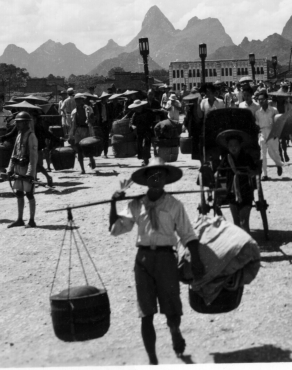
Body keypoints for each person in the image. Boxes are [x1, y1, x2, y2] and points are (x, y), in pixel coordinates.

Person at [110, 158, 205, 365]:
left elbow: (188, 235)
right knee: (146, 313)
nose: (155, 179)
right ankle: (153, 360)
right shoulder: (136, 204)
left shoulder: (174, 205)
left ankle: (174, 330)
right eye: (151, 176)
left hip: (166, 260)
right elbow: (116, 228)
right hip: (143, 261)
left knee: (171, 307)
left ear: (165, 179)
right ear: (145, 180)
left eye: (159, 175)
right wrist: (113, 202)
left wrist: (196, 260)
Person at [217, 130, 261, 233]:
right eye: (231, 145)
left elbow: (256, 171)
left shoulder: (246, 157)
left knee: (244, 222)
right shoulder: (225, 159)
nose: (233, 147)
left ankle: (247, 244)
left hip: (246, 193)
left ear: (240, 146)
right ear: (227, 147)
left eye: (235, 145)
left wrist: (252, 172)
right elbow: (219, 174)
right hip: (232, 194)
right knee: (236, 223)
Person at [6, 112, 39, 228]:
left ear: (26, 123)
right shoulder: (19, 135)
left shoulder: (31, 136)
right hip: (18, 168)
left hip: (27, 169)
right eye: (17, 122)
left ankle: (31, 220)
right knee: (19, 193)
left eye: (20, 122)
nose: (18, 124)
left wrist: (30, 173)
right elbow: (14, 153)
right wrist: (10, 169)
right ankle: (20, 219)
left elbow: (33, 157)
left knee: (29, 194)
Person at [254, 90, 283, 179]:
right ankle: (265, 174)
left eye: (262, 99)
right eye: (259, 100)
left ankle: (278, 164)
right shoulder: (258, 112)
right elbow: (257, 124)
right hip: (262, 133)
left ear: (267, 99)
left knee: (273, 152)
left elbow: (278, 122)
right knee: (262, 154)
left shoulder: (273, 110)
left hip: (272, 132)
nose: (260, 101)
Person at [68, 94, 96, 173]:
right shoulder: (74, 111)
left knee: (88, 148)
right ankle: (82, 169)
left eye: (79, 100)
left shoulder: (88, 109)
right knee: (79, 150)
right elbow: (72, 125)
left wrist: (90, 118)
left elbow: (93, 120)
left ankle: (91, 159)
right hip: (78, 130)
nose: (78, 101)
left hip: (87, 130)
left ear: (82, 100)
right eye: (76, 100)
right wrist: (71, 135)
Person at [128, 100, 157, 167]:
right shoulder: (134, 114)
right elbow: (131, 123)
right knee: (140, 146)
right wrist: (132, 126)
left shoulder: (149, 112)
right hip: (139, 132)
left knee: (146, 146)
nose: (136, 109)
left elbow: (154, 120)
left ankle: (146, 160)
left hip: (147, 131)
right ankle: (145, 160)